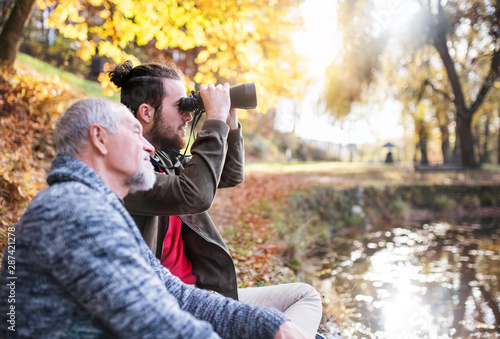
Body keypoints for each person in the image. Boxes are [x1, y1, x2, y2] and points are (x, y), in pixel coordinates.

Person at [0, 98, 312, 339]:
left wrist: (270, 324)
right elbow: (159, 326)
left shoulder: (95, 206)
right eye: (135, 132)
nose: (148, 145)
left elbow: (175, 294)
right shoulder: (73, 211)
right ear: (100, 138)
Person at [109, 61, 323, 336]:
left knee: (304, 296)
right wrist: (214, 121)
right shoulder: (127, 172)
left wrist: (230, 125)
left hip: (202, 295)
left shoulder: (164, 161)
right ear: (146, 112)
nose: (188, 115)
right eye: (181, 106)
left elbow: (229, 175)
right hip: (169, 310)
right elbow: (196, 194)